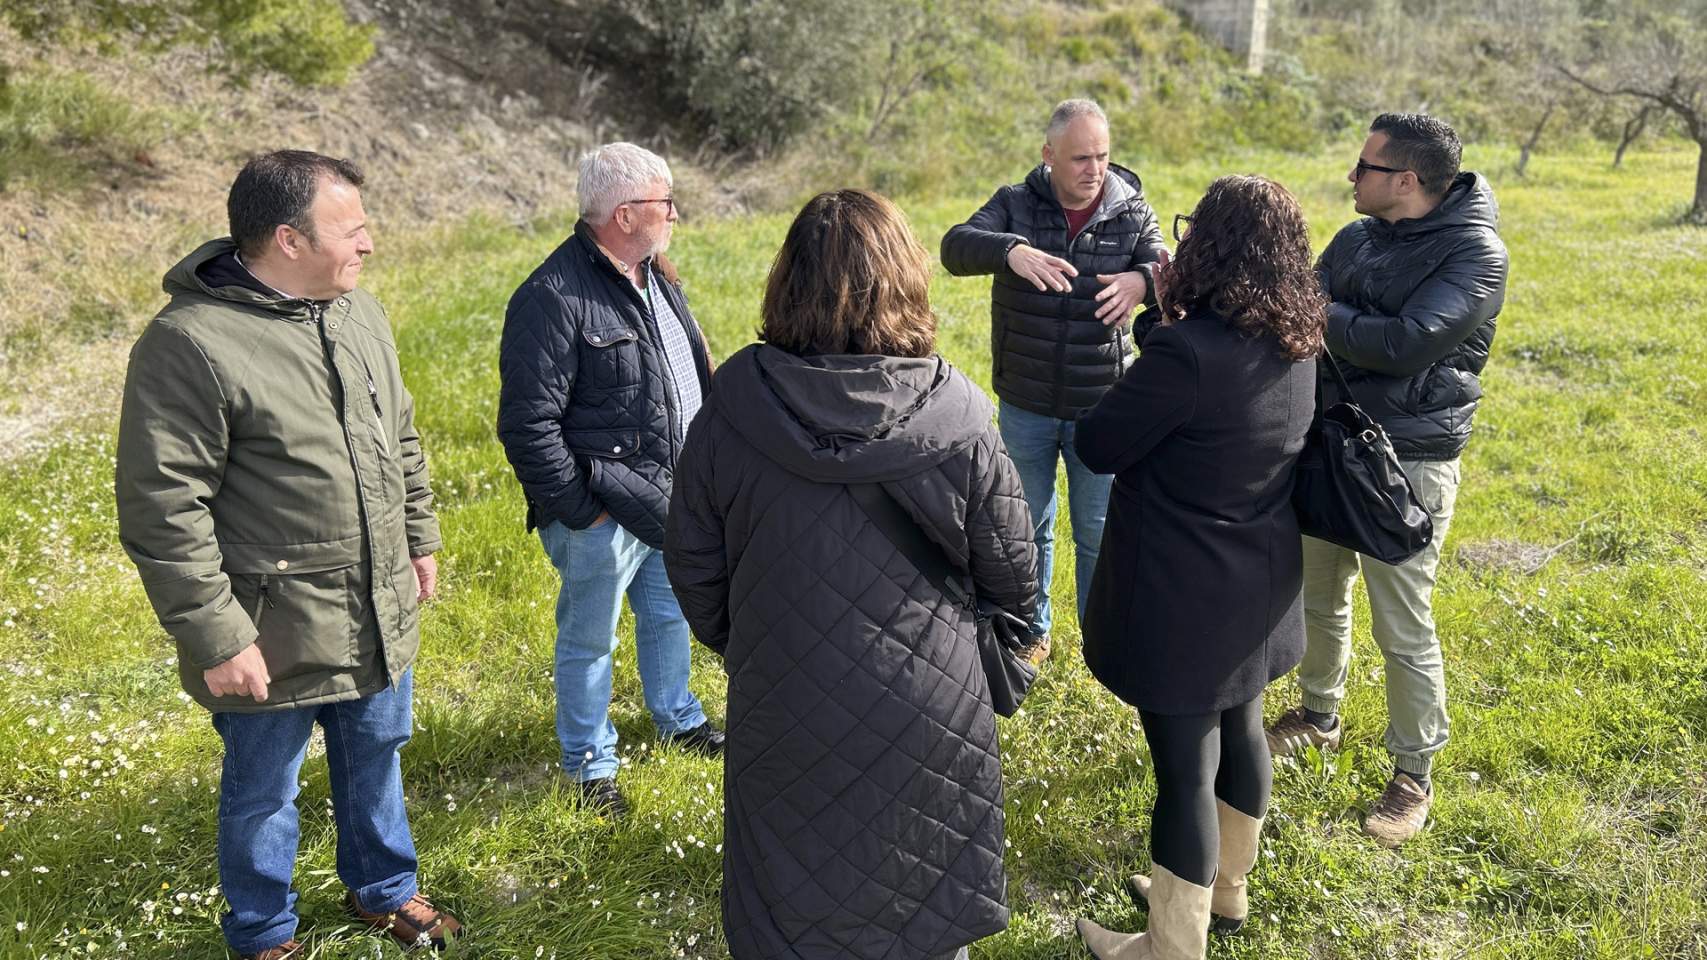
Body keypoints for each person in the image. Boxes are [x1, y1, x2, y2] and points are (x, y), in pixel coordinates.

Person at [664, 189, 1039, 960]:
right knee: (925, 917)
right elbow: (1014, 576)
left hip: (784, 691)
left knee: (790, 914)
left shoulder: (731, 406)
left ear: (786, 281)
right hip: (934, 702)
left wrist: (762, 641)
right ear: (903, 279)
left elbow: (695, 571)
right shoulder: (958, 413)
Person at [115, 150, 461, 960]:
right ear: (288, 240)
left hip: (376, 599)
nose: (369, 244)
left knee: (376, 753)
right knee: (263, 793)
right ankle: (264, 933)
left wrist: (418, 534)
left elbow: (399, 435)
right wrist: (217, 636)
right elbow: (163, 507)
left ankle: (383, 889)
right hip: (270, 628)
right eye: (354, 229)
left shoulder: (357, 314)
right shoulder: (189, 344)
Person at [1071, 176, 1327, 960]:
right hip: (1260, 580)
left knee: (1183, 771)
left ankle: (1169, 946)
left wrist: (1159, 329)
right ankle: (1224, 890)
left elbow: (1097, 444)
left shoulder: (1183, 353)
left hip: (1182, 594)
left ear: (1205, 248)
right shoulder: (1300, 336)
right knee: (1244, 728)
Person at [1265, 113, 1509, 847]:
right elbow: (1294, 320)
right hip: (1328, 440)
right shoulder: (1354, 238)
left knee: (1401, 622)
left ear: (1405, 180)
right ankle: (1317, 716)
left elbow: (1402, 345)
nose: (1350, 175)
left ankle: (1412, 772)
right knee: (1317, 594)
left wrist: (1323, 314)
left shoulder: (1476, 254)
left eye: (1364, 165)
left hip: (1407, 458)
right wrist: (1338, 319)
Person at [496, 142, 723, 819]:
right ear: (625, 215)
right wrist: (581, 510)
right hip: (603, 511)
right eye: (665, 204)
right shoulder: (551, 297)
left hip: (670, 492)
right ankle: (590, 764)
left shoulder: (654, 275)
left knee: (669, 614)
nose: (674, 214)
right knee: (589, 641)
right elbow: (527, 426)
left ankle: (678, 719)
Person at [940, 98, 1167, 661]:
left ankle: (1103, 640)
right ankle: (1028, 633)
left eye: (1103, 157)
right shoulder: (1014, 205)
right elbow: (953, 247)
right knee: (1023, 528)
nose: (1095, 170)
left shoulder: (1132, 210)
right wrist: (1010, 251)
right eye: (1080, 158)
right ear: (1048, 156)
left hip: (1104, 407)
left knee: (1098, 532)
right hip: (1027, 401)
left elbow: (1174, 273)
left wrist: (1144, 281)